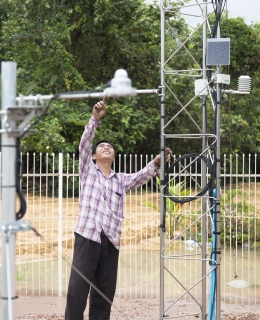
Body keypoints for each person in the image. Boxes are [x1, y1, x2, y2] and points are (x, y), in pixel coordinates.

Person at [65, 97, 172, 320]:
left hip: (111, 242)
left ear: (113, 157)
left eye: (110, 147)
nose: (106, 147)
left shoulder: (120, 180)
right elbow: (84, 143)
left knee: (103, 297)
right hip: (87, 238)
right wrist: (94, 119)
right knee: (77, 293)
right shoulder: (87, 171)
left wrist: (157, 163)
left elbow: (142, 176)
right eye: (101, 147)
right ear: (94, 156)